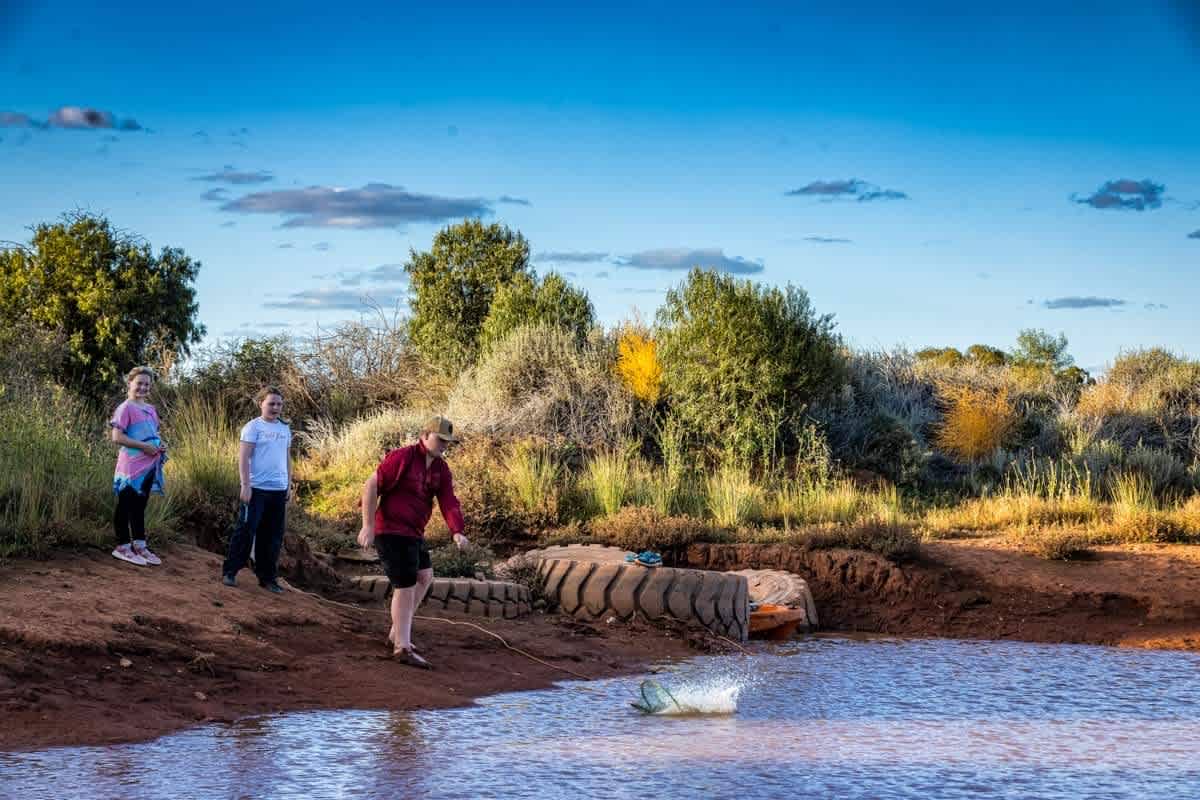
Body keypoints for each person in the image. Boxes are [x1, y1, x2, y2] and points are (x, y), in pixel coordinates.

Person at [358, 416, 468, 669]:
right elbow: (371, 485)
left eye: (448, 442)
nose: (444, 446)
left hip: (414, 532)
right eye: (441, 440)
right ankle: (402, 647)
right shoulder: (403, 457)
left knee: (425, 576)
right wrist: (368, 526)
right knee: (405, 586)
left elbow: (449, 500)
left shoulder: (441, 468)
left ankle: (397, 633)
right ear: (425, 435)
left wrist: (457, 531)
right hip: (391, 529)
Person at [222, 387, 292, 594]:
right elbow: (243, 458)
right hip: (256, 489)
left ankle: (267, 578)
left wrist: (288, 484)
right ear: (261, 403)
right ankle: (230, 571)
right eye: (271, 403)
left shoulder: (284, 429)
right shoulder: (253, 427)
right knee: (246, 530)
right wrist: (245, 485)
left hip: (278, 490)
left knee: (272, 536)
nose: (275, 408)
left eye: (279, 404)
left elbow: (287, 458)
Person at [110, 366, 167, 566]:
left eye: (146, 384)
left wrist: (159, 444)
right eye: (139, 383)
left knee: (140, 506)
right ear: (130, 383)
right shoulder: (125, 408)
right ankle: (123, 546)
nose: (143, 387)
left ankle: (140, 545)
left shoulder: (151, 409)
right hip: (131, 466)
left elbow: (152, 433)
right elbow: (117, 437)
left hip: (149, 465)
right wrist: (144, 446)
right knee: (125, 505)